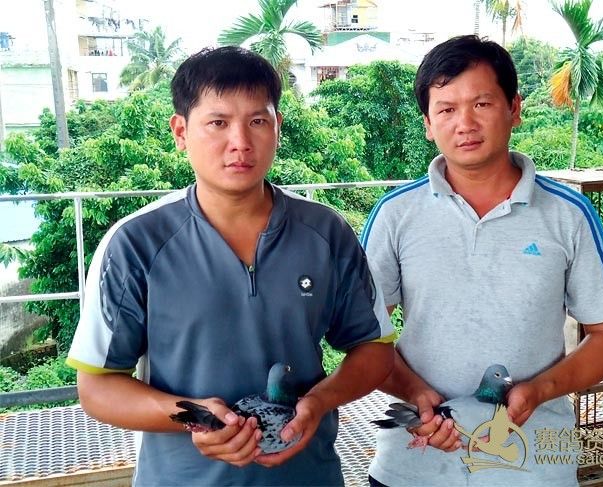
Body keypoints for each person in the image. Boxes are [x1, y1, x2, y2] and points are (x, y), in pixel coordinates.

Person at [66, 46, 394, 486]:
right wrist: (195, 417)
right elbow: (98, 387)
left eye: (257, 121)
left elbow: (374, 349)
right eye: (217, 123)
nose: (240, 142)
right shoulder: (135, 243)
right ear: (181, 131)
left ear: (278, 127)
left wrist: (319, 402)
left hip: (308, 476)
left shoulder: (325, 231)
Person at [362, 35, 603, 486]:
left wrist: (539, 390)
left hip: (535, 465)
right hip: (413, 463)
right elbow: (364, 336)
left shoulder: (569, 215)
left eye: (482, 103)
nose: (464, 123)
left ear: (514, 108)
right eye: (446, 109)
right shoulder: (395, 214)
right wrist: (415, 393)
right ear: (428, 123)